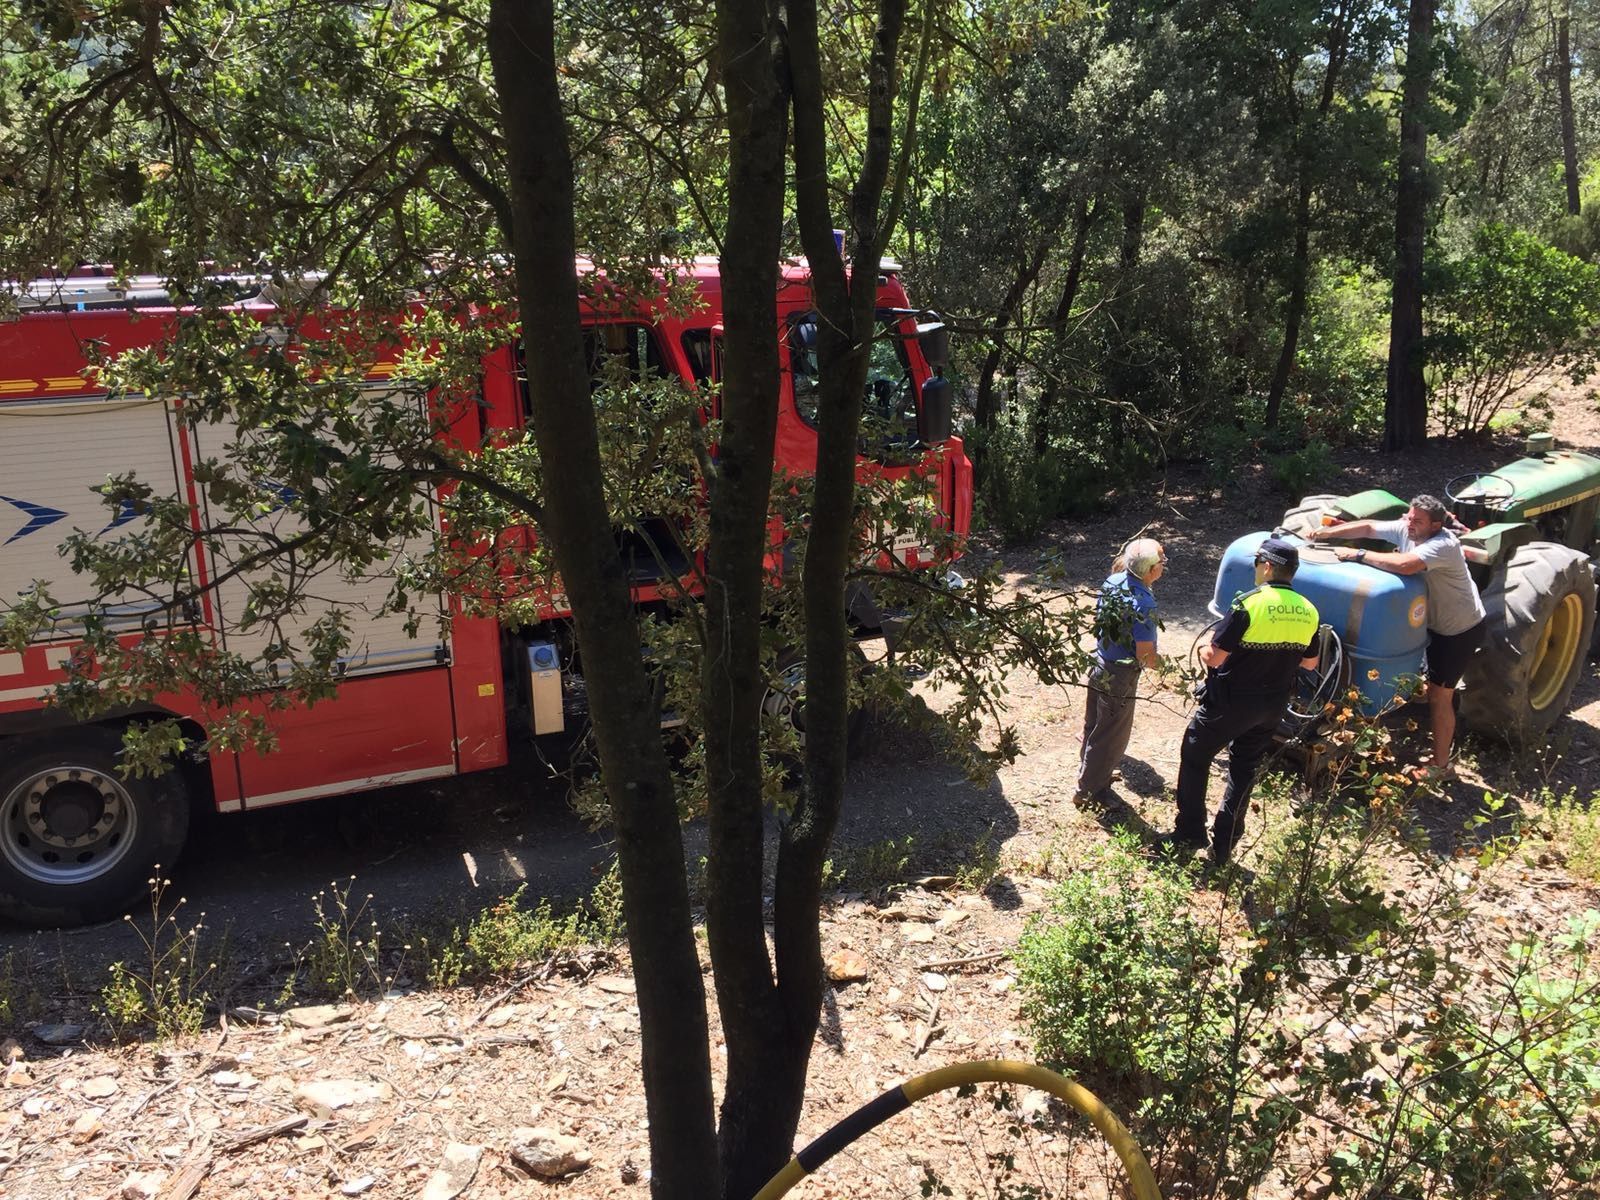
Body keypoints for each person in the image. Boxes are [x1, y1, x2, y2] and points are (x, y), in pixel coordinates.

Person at [1307, 494, 1486, 781]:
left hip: (1457, 629)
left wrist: (1358, 554)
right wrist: (1327, 532)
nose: (1410, 524)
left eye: (1418, 521)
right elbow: (1367, 527)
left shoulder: (1443, 544)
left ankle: (1441, 767)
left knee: (1440, 695)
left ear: (1437, 525)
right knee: (1421, 682)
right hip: (1427, 620)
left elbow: (1405, 565)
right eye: (1409, 517)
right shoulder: (1408, 528)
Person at [1165, 537, 1321, 865]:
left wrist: (1206, 648)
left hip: (1232, 701)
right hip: (1274, 705)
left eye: (1256, 564)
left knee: (1196, 754)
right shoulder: (1309, 610)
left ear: (1266, 567)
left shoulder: (1249, 604)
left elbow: (1214, 658)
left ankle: (1191, 829)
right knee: (1244, 767)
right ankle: (1225, 843)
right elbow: (1310, 663)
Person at [1074, 538, 1166, 807]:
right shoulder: (1144, 604)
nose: (1163, 565)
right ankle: (1089, 791)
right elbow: (1146, 655)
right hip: (1120, 676)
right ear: (1150, 570)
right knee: (1111, 735)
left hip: (1100, 662)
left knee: (1094, 724)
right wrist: (1164, 666)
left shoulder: (1113, 582)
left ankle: (1091, 773)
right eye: (1162, 561)